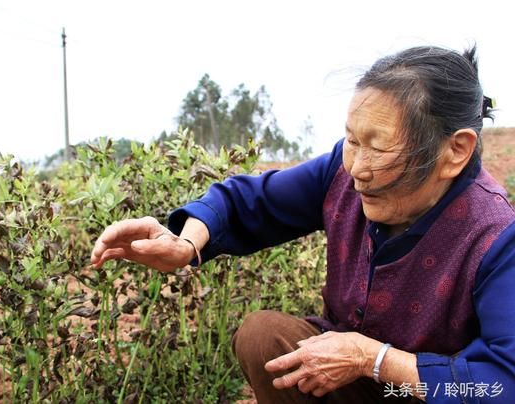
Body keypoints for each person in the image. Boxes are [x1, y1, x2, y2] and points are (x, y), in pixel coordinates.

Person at [90, 45, 515, 403]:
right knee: (265, 337)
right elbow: (250, 202)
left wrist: (373, 358)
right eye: (352, 140)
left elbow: (503, 383)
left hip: (427, 393)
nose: (358, 169)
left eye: (379, 148)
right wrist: (185, 244)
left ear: (456, 151)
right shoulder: (342, 172)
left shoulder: (494, 236)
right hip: (353, 383)